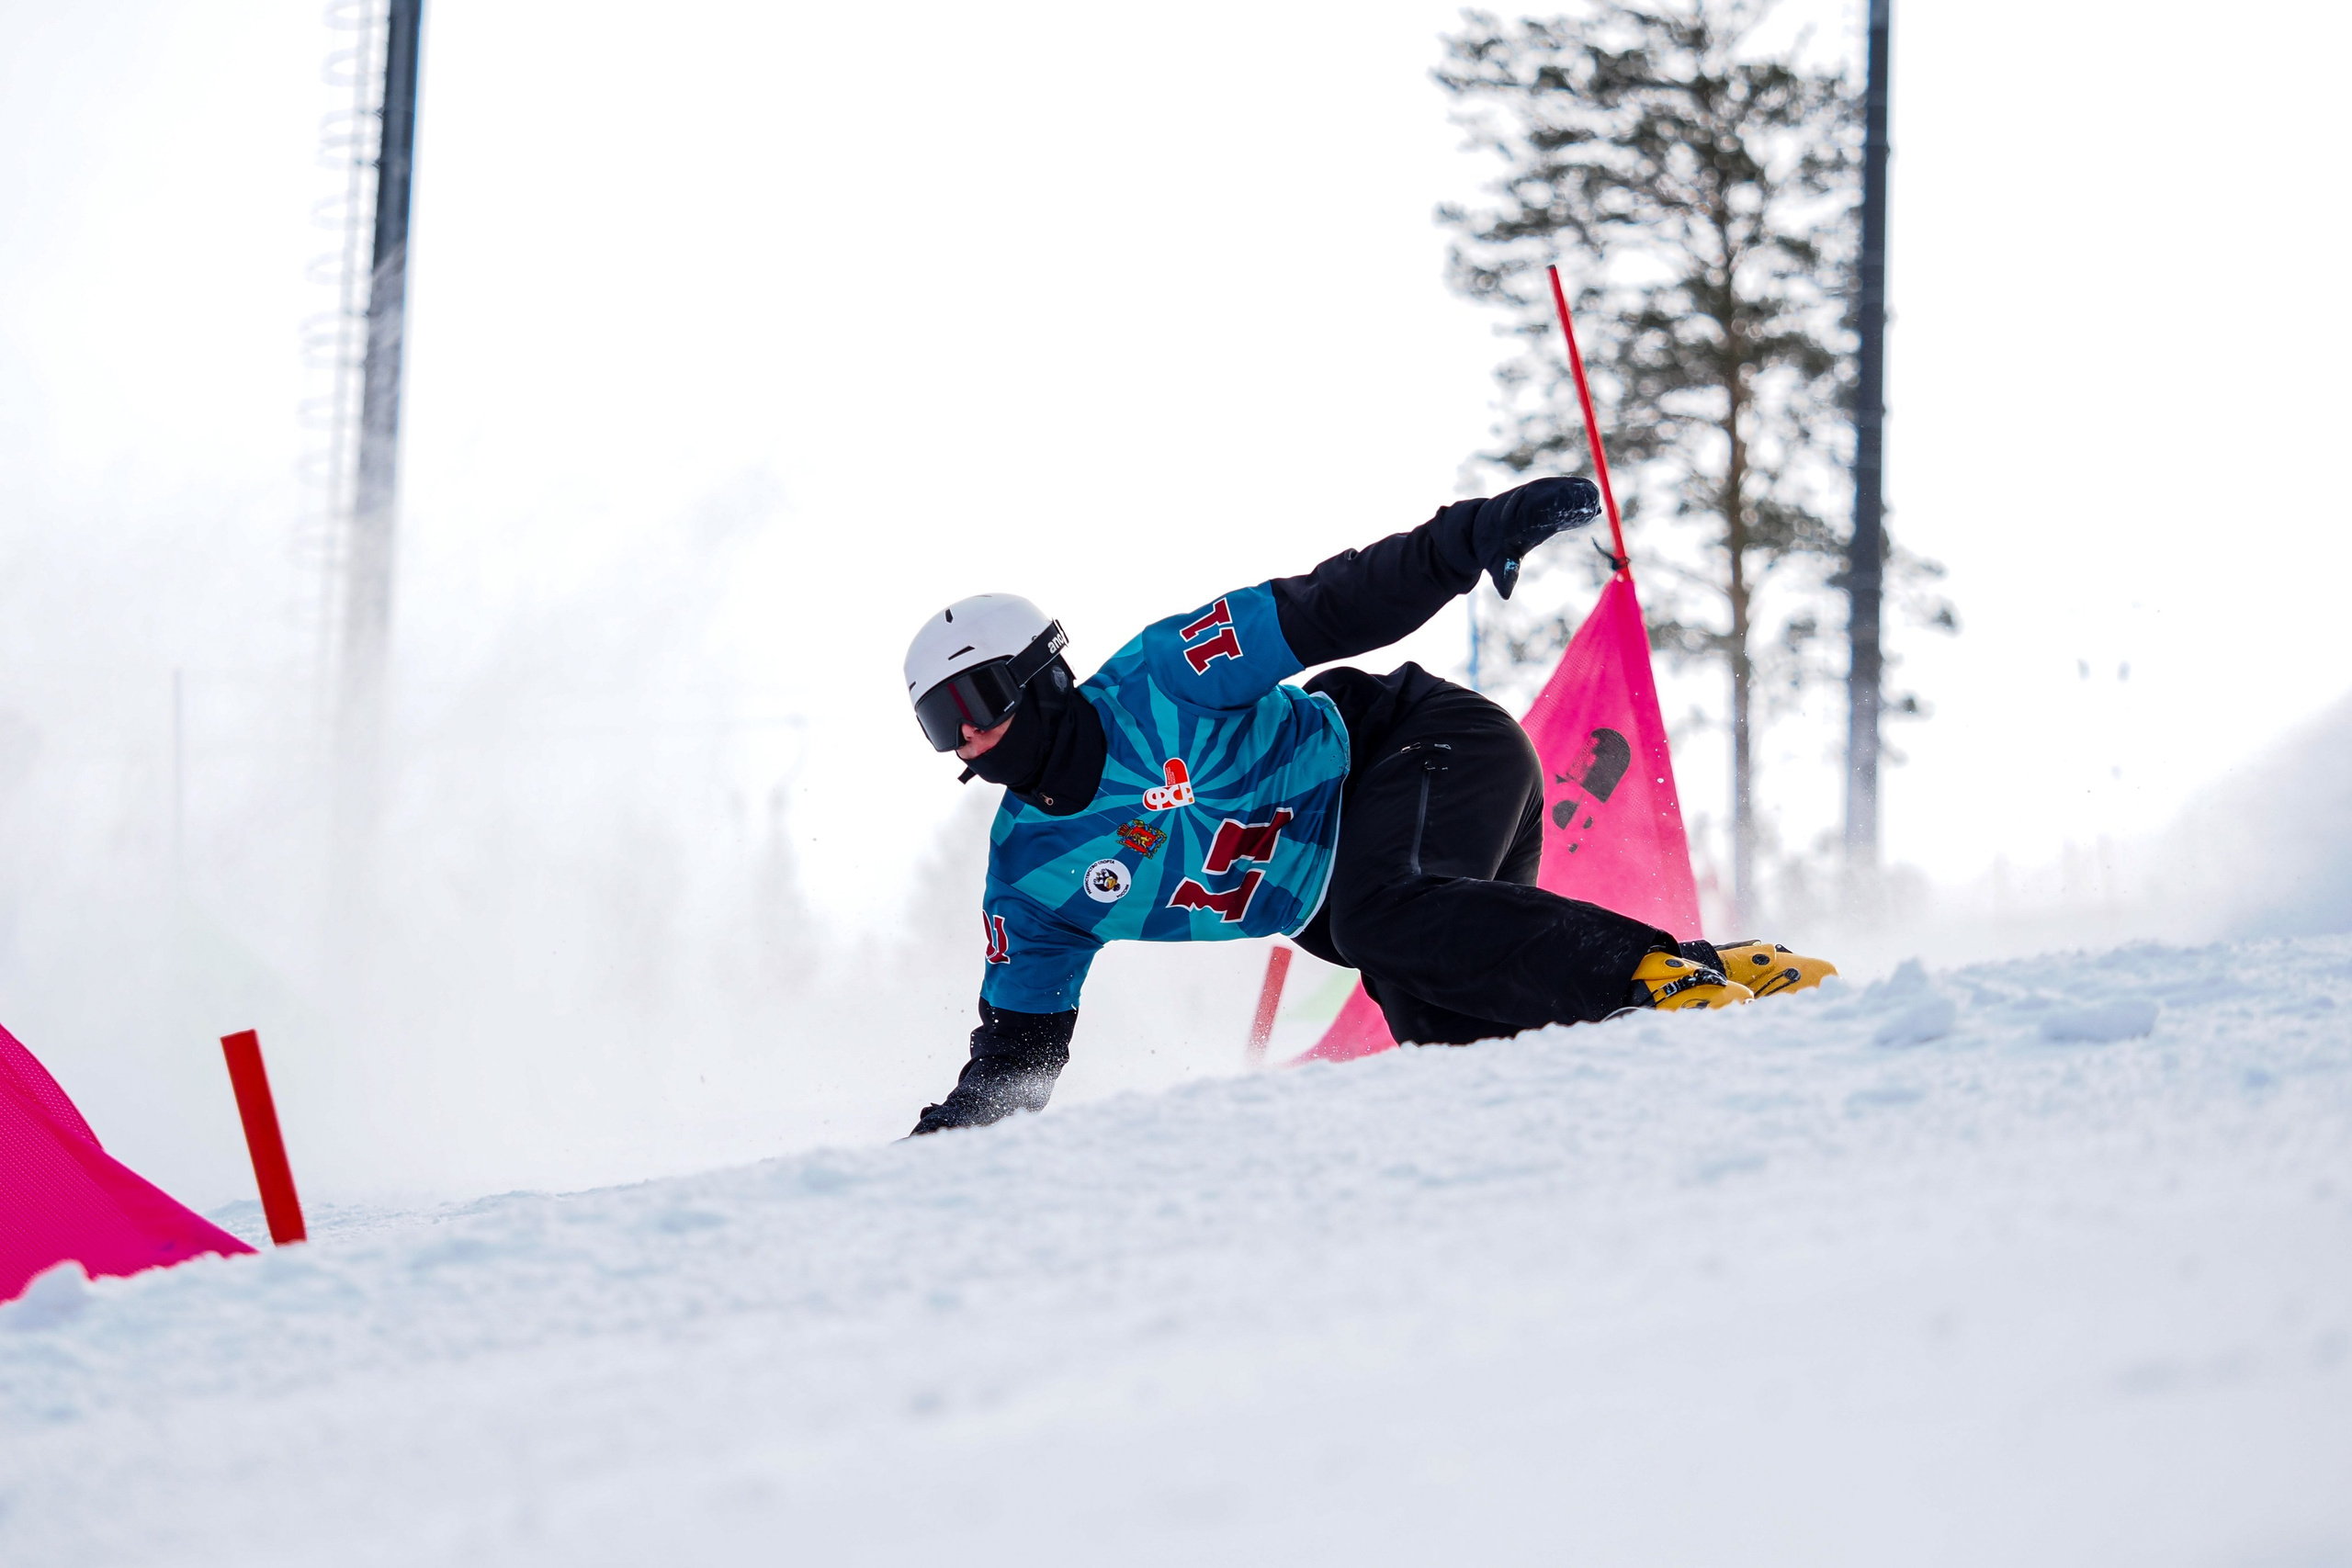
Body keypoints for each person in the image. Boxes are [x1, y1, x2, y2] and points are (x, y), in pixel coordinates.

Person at [900, 477, 1834, 1135]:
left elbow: (1332, 605)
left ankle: (1665, 974)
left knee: (1383, 915)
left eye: (974, 704)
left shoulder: (1169, 672)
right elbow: (1015, 1058)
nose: (969, 740)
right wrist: (944, 1152)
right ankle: (1714, 1030)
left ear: (1042, 676)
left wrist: (1470, 537)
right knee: (1465, 1056)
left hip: (1421, 748)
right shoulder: (1030, 882)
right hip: (1365, 906)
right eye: (941, 726)